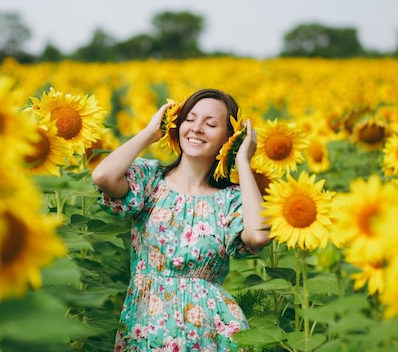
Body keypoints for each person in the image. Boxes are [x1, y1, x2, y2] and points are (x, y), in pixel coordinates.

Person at [91, 88, 271, 351]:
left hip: (209, 333)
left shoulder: (229, 199)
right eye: (190, 118)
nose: (197, 128)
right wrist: (151, 133)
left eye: (210, 124)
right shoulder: (151, 180)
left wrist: (242, 160)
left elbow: (258, 235)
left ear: (227, 139)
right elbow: (103, 177)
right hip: (147, 325)